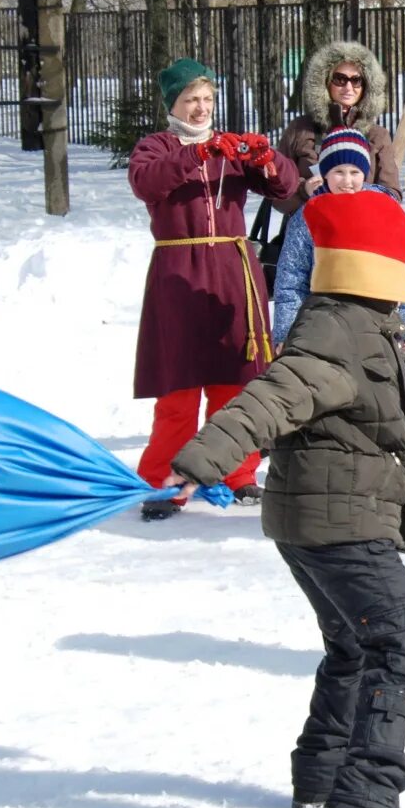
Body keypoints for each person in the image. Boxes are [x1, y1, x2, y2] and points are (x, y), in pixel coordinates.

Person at [165, 190, 405, 808]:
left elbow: (359, 413)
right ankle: (364, 798)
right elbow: (273, 397)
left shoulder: (357, 323)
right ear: (375, 266)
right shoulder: (337, 333)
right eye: (400, 260)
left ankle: (320, 775)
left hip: (312, 515)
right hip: (338, 520)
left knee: (354, 646)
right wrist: (202, 460)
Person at [128, 58, 296, 520]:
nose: (200, 109)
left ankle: (235, 472)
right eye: (190, 100)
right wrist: (195, 154)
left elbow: (286, 188)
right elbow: (147, 183)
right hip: (178, 271)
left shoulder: (231, 147)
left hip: (231, 270)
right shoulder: (155, 147)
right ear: (174, 104)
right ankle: (167, 479)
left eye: (206, 99)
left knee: (235, 383)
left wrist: (267, 157)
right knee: (178, 387)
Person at [272, 128, 405, 350]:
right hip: (323, 321)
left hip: (378, 321)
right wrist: (287, 331)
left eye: (354, 172)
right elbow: (291, 277)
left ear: (364, 173)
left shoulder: (383, 210)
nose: (347, 181)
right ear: (324, 173)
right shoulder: (309, 214)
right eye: (338, 172)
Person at [275, 41, 402, 205]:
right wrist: (304, 190)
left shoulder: (377, 135)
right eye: (340, 79)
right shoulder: (300, 129)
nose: (348, 87)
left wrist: (363, 195)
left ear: (366, 85)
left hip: (361, 226)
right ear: (325, 81)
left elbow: (392, 195)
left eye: (356, 80)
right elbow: (276, 191)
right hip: (308, 226)